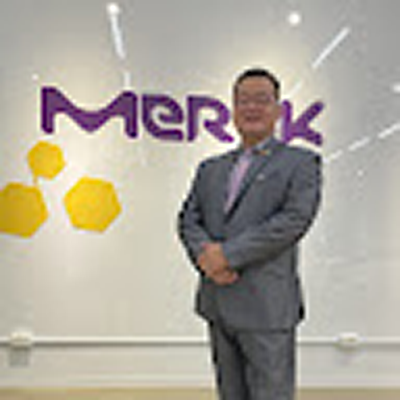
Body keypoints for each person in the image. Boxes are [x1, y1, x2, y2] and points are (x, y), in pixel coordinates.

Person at [177, 67, 322, 400]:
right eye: (243, 100)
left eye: (261, 100)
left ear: (279, 110)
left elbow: (293, 221)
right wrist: (205, 256)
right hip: (218, 302)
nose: (251, 107)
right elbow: (188, 219)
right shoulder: (210, 169)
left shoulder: (301, 163)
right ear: (232, 109)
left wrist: (227, 256)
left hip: (267, 308)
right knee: (230, 394)